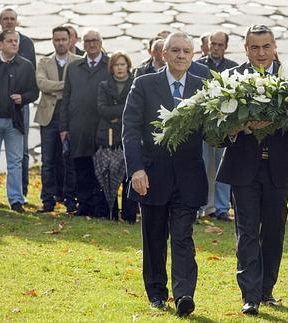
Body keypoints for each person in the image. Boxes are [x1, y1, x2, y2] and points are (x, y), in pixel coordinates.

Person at [216, 24, 288, 316]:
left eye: (265, 47)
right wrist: (239, 127)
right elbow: (218, 130)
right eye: (254, 47)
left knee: (274, 230)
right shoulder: (230, 78)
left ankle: (267, 289)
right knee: (246, 231)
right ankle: (250, 295)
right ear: (245, 49)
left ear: (274, 47)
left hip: (279, 168)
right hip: (243, 168)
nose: (260, 53)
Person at [123, 32, 207, 316]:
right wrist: (136, 169)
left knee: (183, 235)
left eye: (186, 51)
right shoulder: (144, 84)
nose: (181, 55)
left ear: (193, 55)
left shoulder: (204, 86)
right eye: (175, 50)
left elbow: (214, 130)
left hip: (188, 177)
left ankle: (184, 294)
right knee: (154, 238)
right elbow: (131, 131)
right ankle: (157, 292)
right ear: (164, 54)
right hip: (152, 176)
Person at [0, 30, 38, 212]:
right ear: (0, 44)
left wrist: (23, 98)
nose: (15, 44)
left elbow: (34, 92)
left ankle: (16, 200)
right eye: (10, 41)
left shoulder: (26, 65)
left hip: (15, 121)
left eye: (16, 41)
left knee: (15, 161)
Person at [60, 29, 110, 217]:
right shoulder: (74, 67)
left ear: (101, 41)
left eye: (95, 40)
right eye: (87, 40)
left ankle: (102, 208)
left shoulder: (110, 64)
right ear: (82, 43)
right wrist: (64, 127)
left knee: (102, 168)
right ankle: (84, 206)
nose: (91, 44)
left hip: (102, 126)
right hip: (78, 125)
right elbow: (66, 98)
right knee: (81, 167)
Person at [35, 26, 81, 213]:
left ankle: (70, 200)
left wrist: (57, 88)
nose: (60, 42)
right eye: (57, 39)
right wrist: (67, 86)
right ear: (52, 40)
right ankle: (47, 201)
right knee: (48, 162)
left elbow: (80, 87)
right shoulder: (44, 61)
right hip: (49, 118)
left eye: (64, 39)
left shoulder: (78, 62)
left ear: (70, 40)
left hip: (70, 118)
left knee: (70, 162)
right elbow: (42, 84)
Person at [196, 31, 238, 221]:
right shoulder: (197, 66)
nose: (216, 48)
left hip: (225, 126)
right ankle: (199, 205)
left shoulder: (233, 68)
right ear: (208, 44)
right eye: (213, 44)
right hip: (203, 124)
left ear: (225, 47)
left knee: (223, 166)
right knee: (201, 166)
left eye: (220, 45)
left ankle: (221, 208)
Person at [96, 51, 138, 223]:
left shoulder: (135, 84)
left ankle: (129, 215)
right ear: (111, 68)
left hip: (130, 134)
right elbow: (102, 109)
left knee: (130, 175)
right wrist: (122, 112)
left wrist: (118, 114)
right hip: (109, 136)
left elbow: (135, 108)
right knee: (109, 174)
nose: (120, 68)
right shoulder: (104, 86)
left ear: (128, 66)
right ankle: (111, 213)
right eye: (116, 65)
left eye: (122, 64)